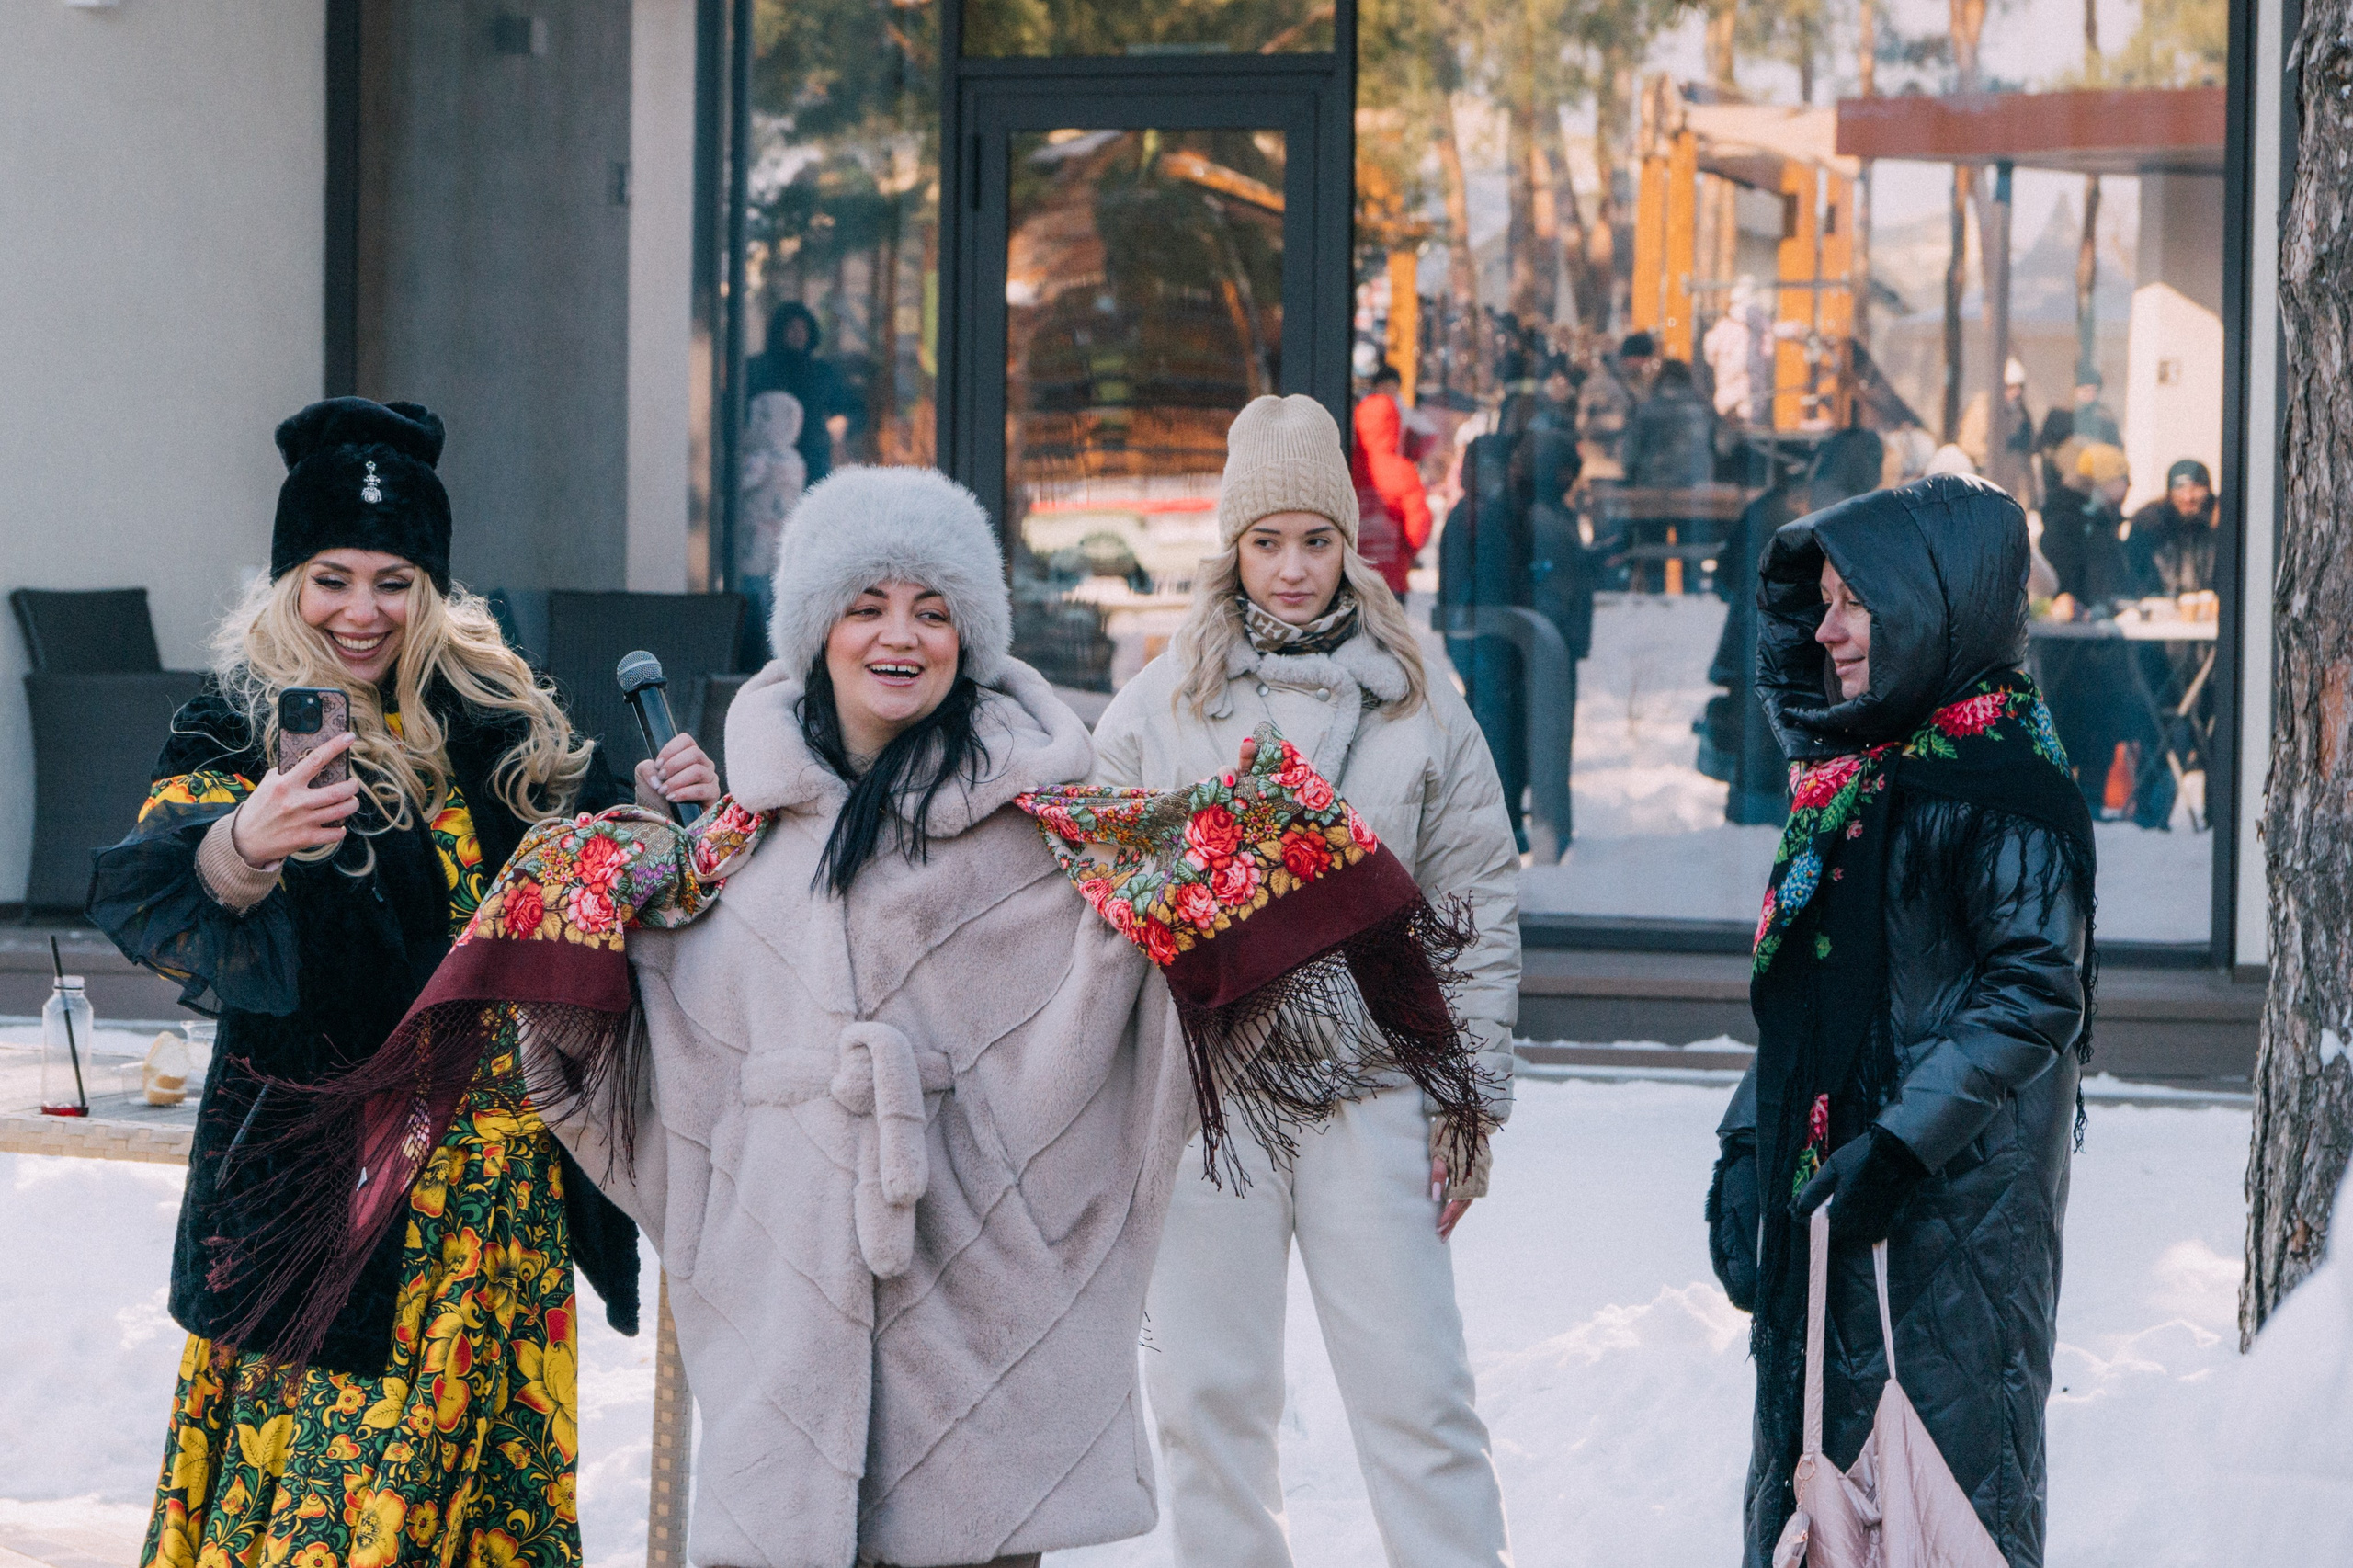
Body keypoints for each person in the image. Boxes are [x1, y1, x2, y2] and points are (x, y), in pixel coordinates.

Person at [87, 397, 720, 1568]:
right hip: (335, 1202)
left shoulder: (501, 721)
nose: (362, 611)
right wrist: (247, 844)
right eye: (331, 577)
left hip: (501, 1204)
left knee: (487, 1512)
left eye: (394, 580)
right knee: (333, 1522)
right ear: (288, 583)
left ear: (433, 589)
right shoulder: (231, 732)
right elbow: (154, 889)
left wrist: (660, 819)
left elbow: (587, 900)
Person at [540, 466, 1207, 1568]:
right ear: (816, 630)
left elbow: (1119, 1038)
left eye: (934, 610)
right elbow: (679, 1070)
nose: (901, 636)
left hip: (982, 1331)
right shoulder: (737, 836)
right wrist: (608, 907)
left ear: (971, 637)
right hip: (787, 1327)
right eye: (867, 605)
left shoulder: (1044, 826)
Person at [1092, 394, 1521, 1568]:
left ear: (1350, 545)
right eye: (1267, 540)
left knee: (1419, 1399)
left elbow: (1475, 902)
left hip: (1371, 1091)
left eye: (1315, 540)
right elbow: (1097, 913)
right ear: (1231, 547)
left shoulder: (1419, 699)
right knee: (1208, 1407)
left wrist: (1470, 1100)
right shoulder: (1157, 705)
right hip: (1210, 1108)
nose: (1291, 568)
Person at [1708, 473, 2094, 1568]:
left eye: (1855, 602)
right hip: (1833, 1216)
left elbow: (2030, 995)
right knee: (1819, 1516)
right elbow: (1812, 1005)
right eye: (1820, 599)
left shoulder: (2005, 784)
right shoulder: (1854, 776)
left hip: (1949, 1230)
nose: (1825, 629)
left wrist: (1893, 1144)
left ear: (1936, 604)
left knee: (1936, 1516)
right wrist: (1747, 1144)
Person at [1700, 429, 1883, 825]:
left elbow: (1726, 575)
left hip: (1757, 640)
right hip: (1813, 650)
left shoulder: (1773, 505)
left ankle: (1750, 815)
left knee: (1759, 741)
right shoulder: (1852, 514)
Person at [736, 385, 809, 664]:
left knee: (756, 601)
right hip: (776, 545)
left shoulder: (760, 460)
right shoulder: (795, 459)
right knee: (769, 601)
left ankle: (756, 655)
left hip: (757, 545)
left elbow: (735, 486)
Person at [1353, 362, 1435, 596]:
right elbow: (1418, 523)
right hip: (1392, 577)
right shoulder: (1403, 471)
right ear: (1393, 424)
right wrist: (1407, 553)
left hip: (1354, 576)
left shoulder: (1348, 469)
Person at [748, 300, 849, 485]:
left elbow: (847, 407)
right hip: (766, 469)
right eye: (793, 328)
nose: (799, 334)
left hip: (813, 462)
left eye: (804, 328)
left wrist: (841, 422)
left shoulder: (822, 373)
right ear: (779, 331)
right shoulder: (757, 369)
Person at [2039, 441, 2132, 605]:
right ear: (2106, 480)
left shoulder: (2097, 519)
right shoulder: (2073, 523)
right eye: (2124, 478)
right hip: (2078, 623)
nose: (2129, 485)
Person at [2126, 457, 2219, 597]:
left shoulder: (2219, 521)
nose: (2188, 497)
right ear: (2169, 492)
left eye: (2196, 487)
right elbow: (2135, 576)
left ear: (2208, 490)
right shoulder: (2150, 523)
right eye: (2180, 488)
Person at [1624, 358, 1717, 490]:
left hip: (1654, 484)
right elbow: (1722, 445)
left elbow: (1630, 453)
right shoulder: (1702, 407)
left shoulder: (1648, 408)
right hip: (1696, 484)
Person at [1986, 357, 2040, 506]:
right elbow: (1972, 444)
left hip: (2017, 481)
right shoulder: (1984, 409)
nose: (2017, 393)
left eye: (2019, 388)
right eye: (2011, 387)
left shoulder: (2022, 413)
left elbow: (2030, 446)